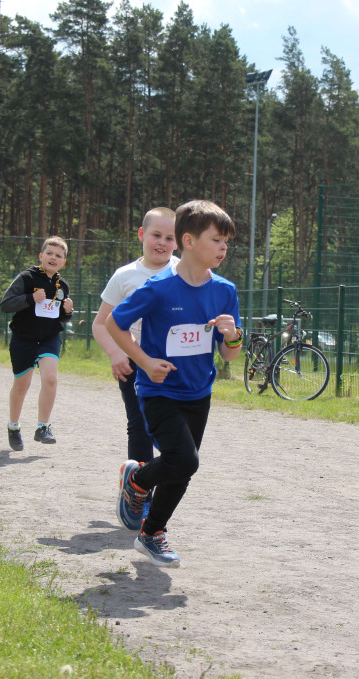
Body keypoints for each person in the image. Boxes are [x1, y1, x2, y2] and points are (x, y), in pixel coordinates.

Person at [106, 200, 242, 567]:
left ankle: (151, 533)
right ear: (190, 241)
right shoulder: (159, 288)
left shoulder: (225, 291)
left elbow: (230, 356)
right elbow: (114, 324)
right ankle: (138, 482)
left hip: (200, 393)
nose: (224, 248)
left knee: (182, 467)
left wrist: (232, 337)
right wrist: (146, 363)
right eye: (217, 240)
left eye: (227, 241)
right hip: (158, 391)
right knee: (185, 459)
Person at [92, 207, 178, 465]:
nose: (162, 243)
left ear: (179, 241)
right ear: (142, 234)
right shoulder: (124, 276)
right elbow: (100, 324)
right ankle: (138, 491)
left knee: (173, 428)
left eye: (169, 238)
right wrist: (116, 353)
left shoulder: (183, 272)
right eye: (156, 235)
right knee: (139, 425)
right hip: (133, 361)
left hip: (173, 363)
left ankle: (165, 484)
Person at [0, 236, 73, 450]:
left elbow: (60, 316)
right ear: (41, 256)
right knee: (22, 384)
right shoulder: (26, 278)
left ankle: (43, 427)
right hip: (24, 337)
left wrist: (68, 312)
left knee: (50, 379)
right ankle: (13, 426)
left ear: (63, 262)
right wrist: (31, 298)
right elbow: (5, 304)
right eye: (49, 253)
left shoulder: (62, 285)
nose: (53, 257)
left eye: (58, 255)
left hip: (49, 337)